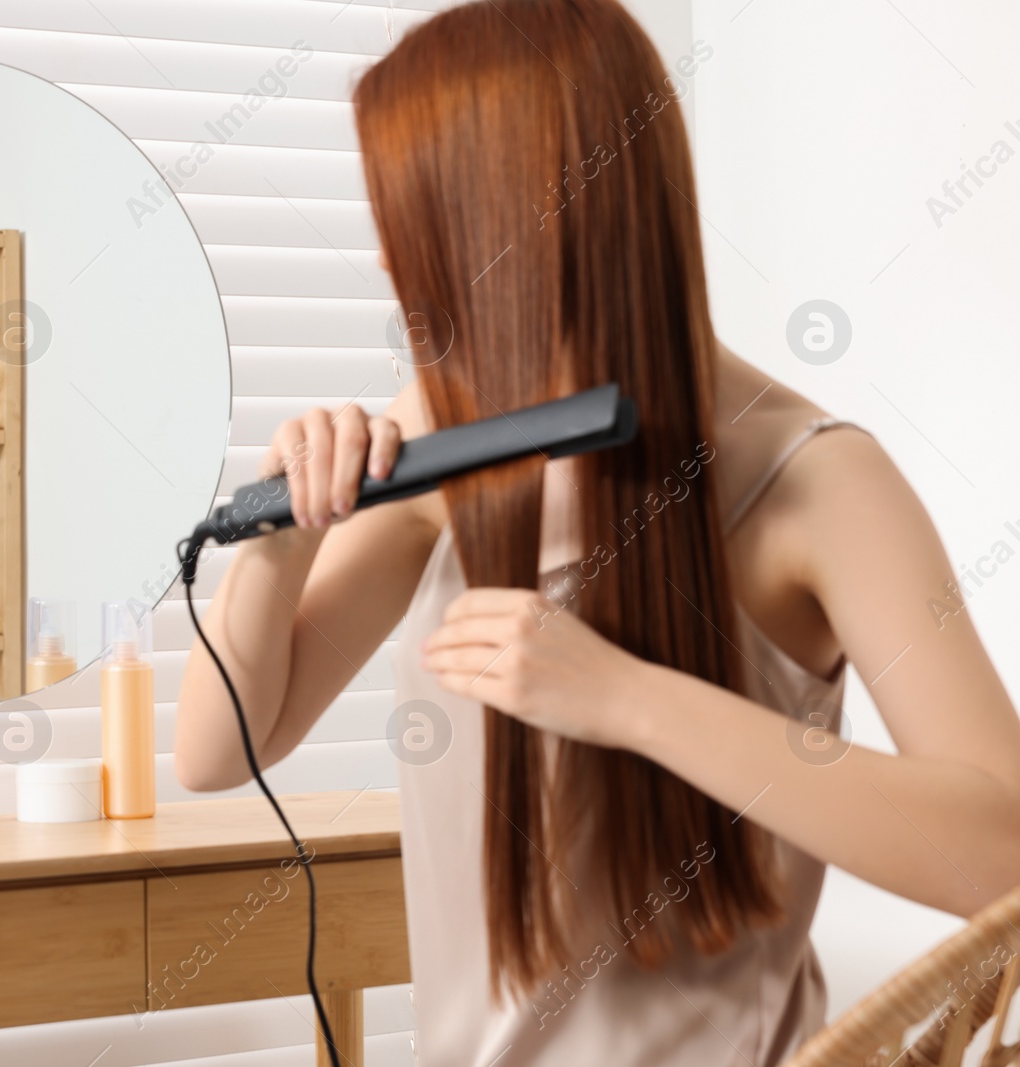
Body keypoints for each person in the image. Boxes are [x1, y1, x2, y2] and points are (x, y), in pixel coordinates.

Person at [172, 1, 1020, 1063]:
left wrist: (625, 697)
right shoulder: (448, 434)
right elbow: (214, 751)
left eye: (424, 233)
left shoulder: (817, 481)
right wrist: (281, 531)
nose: (406, 274)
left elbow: (1003, 849)